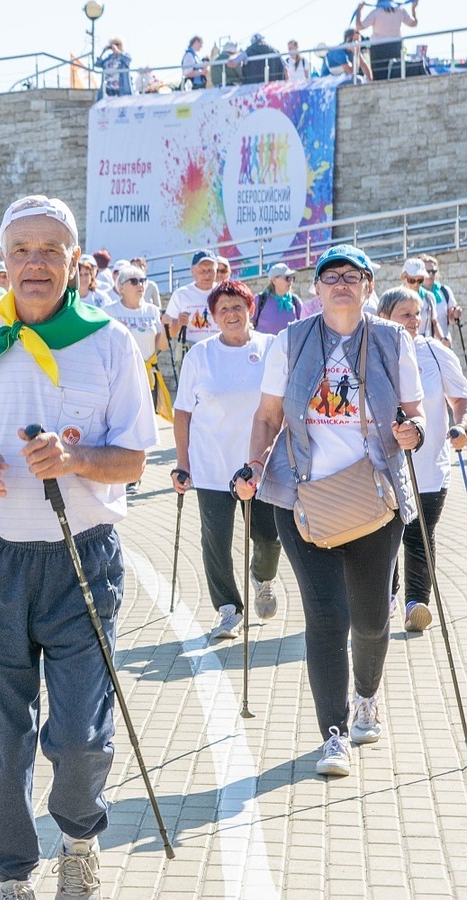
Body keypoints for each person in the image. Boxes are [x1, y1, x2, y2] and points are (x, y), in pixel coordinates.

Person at [0, 195, 155, 898]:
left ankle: (80, 835)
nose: (35, 264)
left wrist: (79, 462)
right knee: (2, 734)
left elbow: (135, 460)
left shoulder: (110, 341)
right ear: (2, 263)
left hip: (83, 555)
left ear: (75, 261)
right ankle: (12, 871)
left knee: (81, 734)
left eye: (50, 250)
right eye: (21, 250)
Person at [234, 244, 424, 777]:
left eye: (352, 276)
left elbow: (413, 414)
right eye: (330, 276)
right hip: (302, 500)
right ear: (314, 290)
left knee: (369, 620)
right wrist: (252, 467)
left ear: (368, 286)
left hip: (374, 499)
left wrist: (414, 432)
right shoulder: (289, 342)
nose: (341, 283)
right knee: (326, 618)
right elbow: (268, 416)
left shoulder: (392, 341)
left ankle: (367, 696)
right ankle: (333, 733)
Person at [173, 280, 283, 638]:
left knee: (268, 539)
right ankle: (228, 609)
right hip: (212, 466)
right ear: (213, 317)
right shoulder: (200, 355)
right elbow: (183, 413)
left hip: (260, 465)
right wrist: (183, 463)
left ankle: (262, 577)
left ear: (250, 308)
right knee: (216, 542)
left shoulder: (272, 349)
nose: (232, 314)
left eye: (238, 306)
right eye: (223, 310)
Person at [377, 286, 467, 632]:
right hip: (384, 469)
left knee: (419, 532)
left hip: (430, 467)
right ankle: (389, 595)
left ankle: (417, 602)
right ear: (384, 318)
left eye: (418, 314)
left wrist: (460, 426)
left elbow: (460, 398)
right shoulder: (370, 355)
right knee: (386, 535)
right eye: (406, 314)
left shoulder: (435, 353)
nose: (415, 321)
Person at [165, 250, 221, 346]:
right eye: (202, 271)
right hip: (192, 351)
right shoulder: (181, 295)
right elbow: (168, 332)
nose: (207, 275)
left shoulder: (224, 292)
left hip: (219, 350)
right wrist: (178, 323)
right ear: (192, 271)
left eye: (210, 270)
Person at [356, 0, 419, 81]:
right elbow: (414, 23)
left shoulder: (376, 12)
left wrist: (359, 11)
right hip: (395, 46)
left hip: (378, 48)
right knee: (396, 73)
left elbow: (359, 26)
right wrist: (413, 9)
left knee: (379, 76)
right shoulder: (400, 11)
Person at [398, 258, 445, 342]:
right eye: (412, 280)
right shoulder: (395, 297)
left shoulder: (429, 297)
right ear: (404, 278)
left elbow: (434, 322)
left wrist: (443, 339)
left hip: (424, 346)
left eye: (420, 280)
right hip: (402, 345)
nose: (416, 284)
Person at [253, 263, 302, 335]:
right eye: (287, 278)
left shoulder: (295, 301)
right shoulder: (260, 300)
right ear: (274, 280)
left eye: (292, 278)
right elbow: (250, 323)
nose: (291, 282)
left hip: (290, 346)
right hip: (266, 346)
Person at [421, 254, 461, 340]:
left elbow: (451, 319)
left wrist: (455, 313)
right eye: (427, 271)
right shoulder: (414, 293)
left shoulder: (444, 291)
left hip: (443, 343)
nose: (431, 274)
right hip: (423, 346)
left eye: (434, 271)